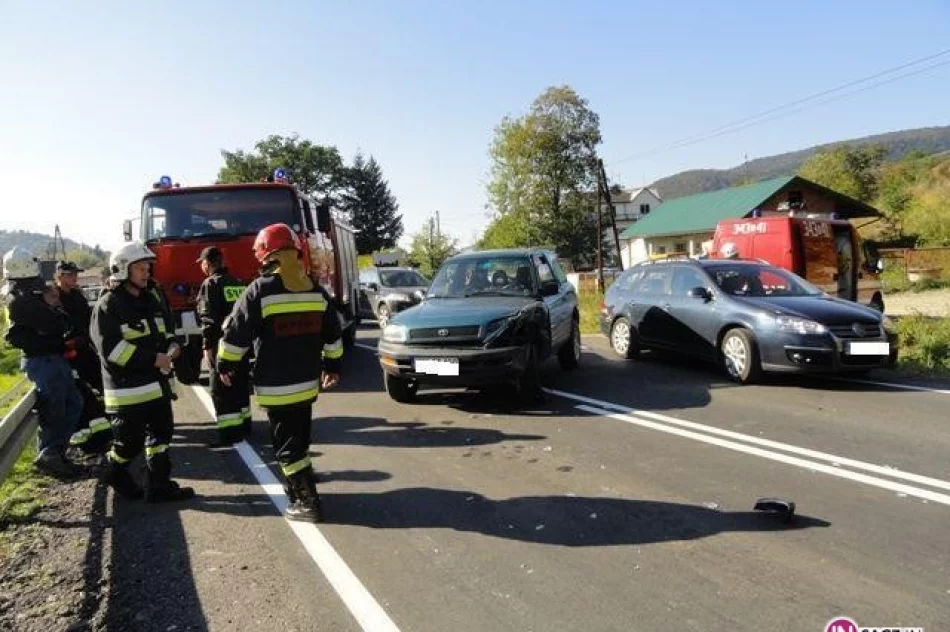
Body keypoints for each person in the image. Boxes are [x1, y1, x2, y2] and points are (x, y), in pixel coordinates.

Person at [216, 224, 343, 522]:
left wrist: (224, 365)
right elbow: (333, 334)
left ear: (265, 255)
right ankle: (301, 484)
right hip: (308, 385)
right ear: (294, 252)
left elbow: (235, 335)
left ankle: (307, 502)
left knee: (288, 449)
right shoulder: (314, 289)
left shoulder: (259, 290)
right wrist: (333, 366)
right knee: (299, 440)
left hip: (276, 387)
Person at [91, 241, 194, 502]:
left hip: (156, 386)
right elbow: (112, 350)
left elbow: (165, 331)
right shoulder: (108, 305)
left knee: (161, 437)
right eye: (140, 268)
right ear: (123, 269)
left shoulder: (150, 299)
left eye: (148, 267)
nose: (146, 272)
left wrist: (172, 345)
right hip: (127, 392)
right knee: (129, 445)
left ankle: (158, 486)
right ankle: (112, 472)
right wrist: (154, 359)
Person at [2, 248, 83, 477]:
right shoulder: (19, 297)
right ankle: (50, 455)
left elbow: (57, 322)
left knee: (72, 404)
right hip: (43, 360)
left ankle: (55, 453)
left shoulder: (28, 293)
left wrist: (56, 315)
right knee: (55, 409)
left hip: (51, 357)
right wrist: (56, 314)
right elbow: (54, 324)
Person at [54, 261, 111, 456]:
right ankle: (89, 440)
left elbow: (88, 320)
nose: (74, 278)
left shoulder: (77, 295)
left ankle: (113, 424)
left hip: (85, 350)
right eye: (70, 275)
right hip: (68, 355)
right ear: (59, 276)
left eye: (75, 275)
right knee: (82, 396)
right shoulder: (54, 297)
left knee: (103, 383)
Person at [195, 246, 250, 445]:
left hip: (221, 346)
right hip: (240, 346)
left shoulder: (210, 285)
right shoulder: (237, 283)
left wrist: (207, 348)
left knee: (220, 390)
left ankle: (229, 434)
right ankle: (245, 426)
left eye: (202, 263)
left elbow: (208, 320)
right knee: (240, 386)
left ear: (207, 264)